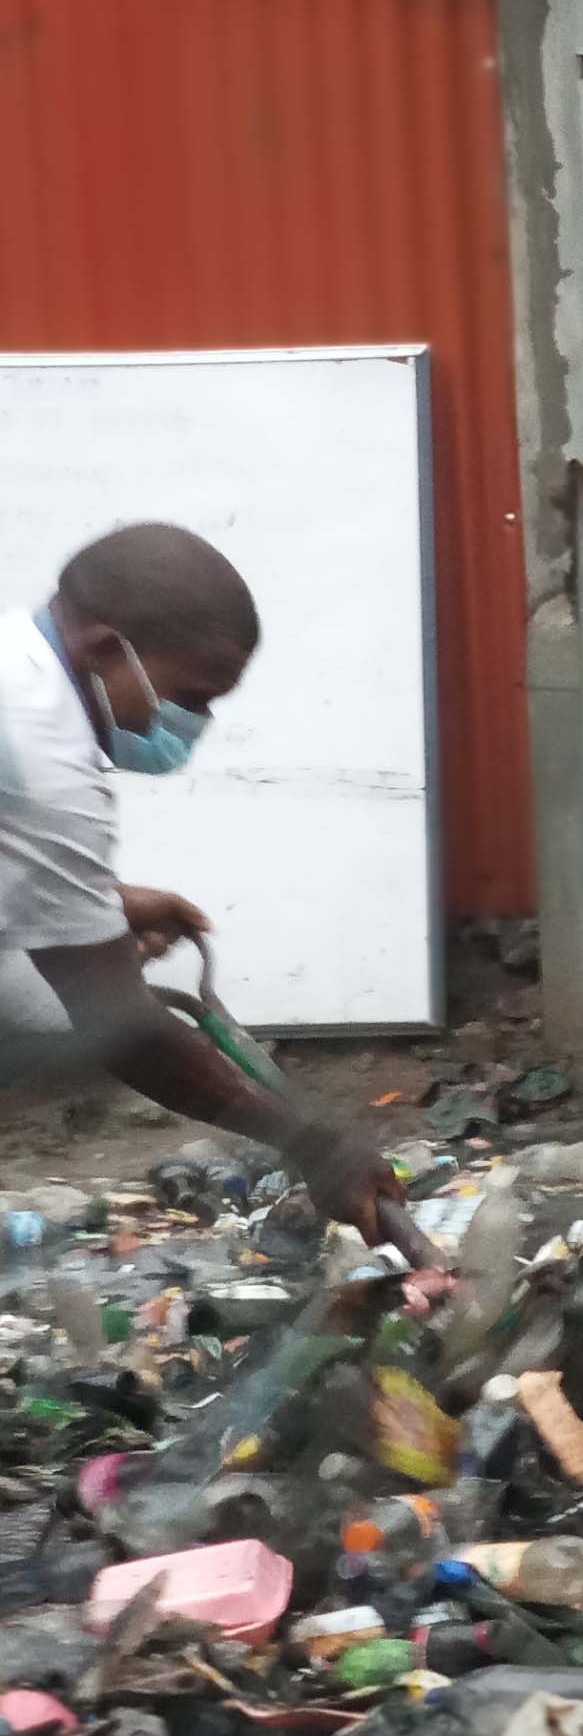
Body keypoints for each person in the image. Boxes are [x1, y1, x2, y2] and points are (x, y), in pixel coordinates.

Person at [3, 525, 393, 1234]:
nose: (192, 722)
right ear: (101, 650)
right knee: (50, 1011)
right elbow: (123, 1028)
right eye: (190, 695)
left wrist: (105, 905)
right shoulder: (44, 753)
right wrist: (310, 1143)